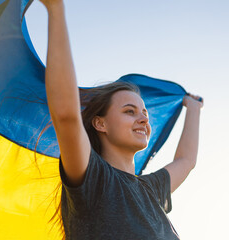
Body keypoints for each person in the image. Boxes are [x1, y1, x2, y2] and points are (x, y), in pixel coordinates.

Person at [39, 0, 203, 239]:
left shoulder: (151, 190)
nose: (143, 120)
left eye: (145, 114)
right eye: (130, 111)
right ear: (100, 123)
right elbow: (66, 116)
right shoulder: (94, 178)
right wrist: (56, 9)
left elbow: (186, 160)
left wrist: (193, 108)